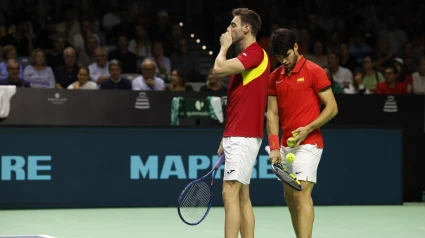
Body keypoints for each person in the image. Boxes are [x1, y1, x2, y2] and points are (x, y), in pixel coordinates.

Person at [266, 28, 338, 238]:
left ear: (296, 47)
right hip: (286, 145)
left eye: (286, 55)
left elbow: (332, 107)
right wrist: (274, 147)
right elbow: (271, 114)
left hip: (310, 143)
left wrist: (307, 128)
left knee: (300, 194)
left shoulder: (315, 71)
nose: (284, 61)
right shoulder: (274, 77)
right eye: (279, 58)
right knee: (289, 196)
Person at [212, 8, 269, 238]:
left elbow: (218, 69)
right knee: (243, 195)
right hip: (238, 134)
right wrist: (225, 137)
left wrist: (223, 47)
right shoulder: (245, 59)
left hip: (243, 135)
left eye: (233, 25)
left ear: (247, 28)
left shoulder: (255, 53)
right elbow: (237, 104)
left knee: (229, 192)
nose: (229, 29)